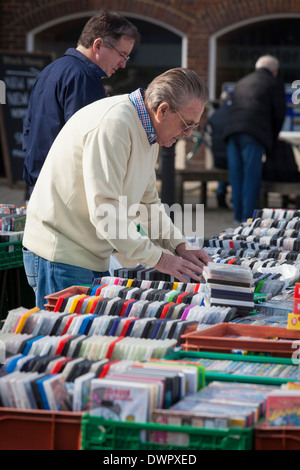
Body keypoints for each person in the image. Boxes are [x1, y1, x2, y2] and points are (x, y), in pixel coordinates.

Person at [22, 68, 212, 309]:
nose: (187, 134)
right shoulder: (115, 125)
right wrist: (159, 259)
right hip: (62, 255)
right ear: (162, 110)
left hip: (84, 253)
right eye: (187, 125)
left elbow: (147, 204)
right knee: (64, 343)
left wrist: (179, 246)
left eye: (193, 127)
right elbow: (106, 210)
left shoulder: (150, 129)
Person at [22, 9, 140, 193]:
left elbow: (29, 128)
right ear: (98, 45)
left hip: (39, 182)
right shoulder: (84, 77)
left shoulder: (50, 70)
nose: (123, 63)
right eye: (121, 54)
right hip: (63, 188)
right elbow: (90, 143)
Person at [224, 55, 286, 223]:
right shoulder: (274, 83)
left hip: (231, 132)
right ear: (274, 71)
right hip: (254, 134)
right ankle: (247, 220)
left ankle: (237, 218)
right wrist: (272, 139)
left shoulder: (242, 81)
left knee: (236, 177)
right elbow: (280, 113)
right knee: (251, 177)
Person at [207, 91, 232, 208]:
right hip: (231, 160)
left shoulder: (214, 117)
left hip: (217, 159)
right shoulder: (234, 115)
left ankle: (220, 191)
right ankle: (234, 197)